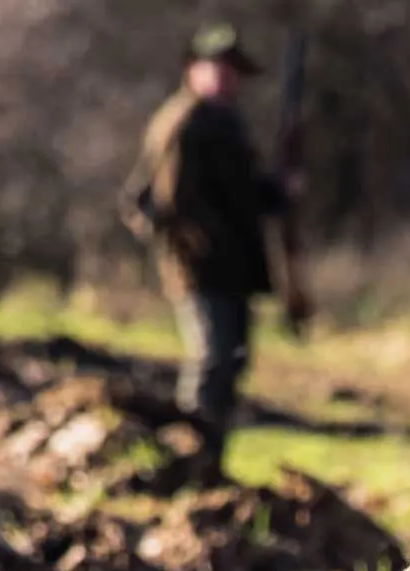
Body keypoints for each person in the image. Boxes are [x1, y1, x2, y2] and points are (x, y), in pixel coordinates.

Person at [122, 25, 297, 483]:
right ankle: (189, 462)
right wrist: (213, 246)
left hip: (230, 267)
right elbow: (178, 203)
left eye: (234, 72)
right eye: (219, 69)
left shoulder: (225, 122)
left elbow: (239, 194)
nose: (228, 80)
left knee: (231, 360)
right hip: (201, 266)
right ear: (193, 69)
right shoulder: (185, 124)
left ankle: (208, 462)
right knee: (213, 361)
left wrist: (276, 192)